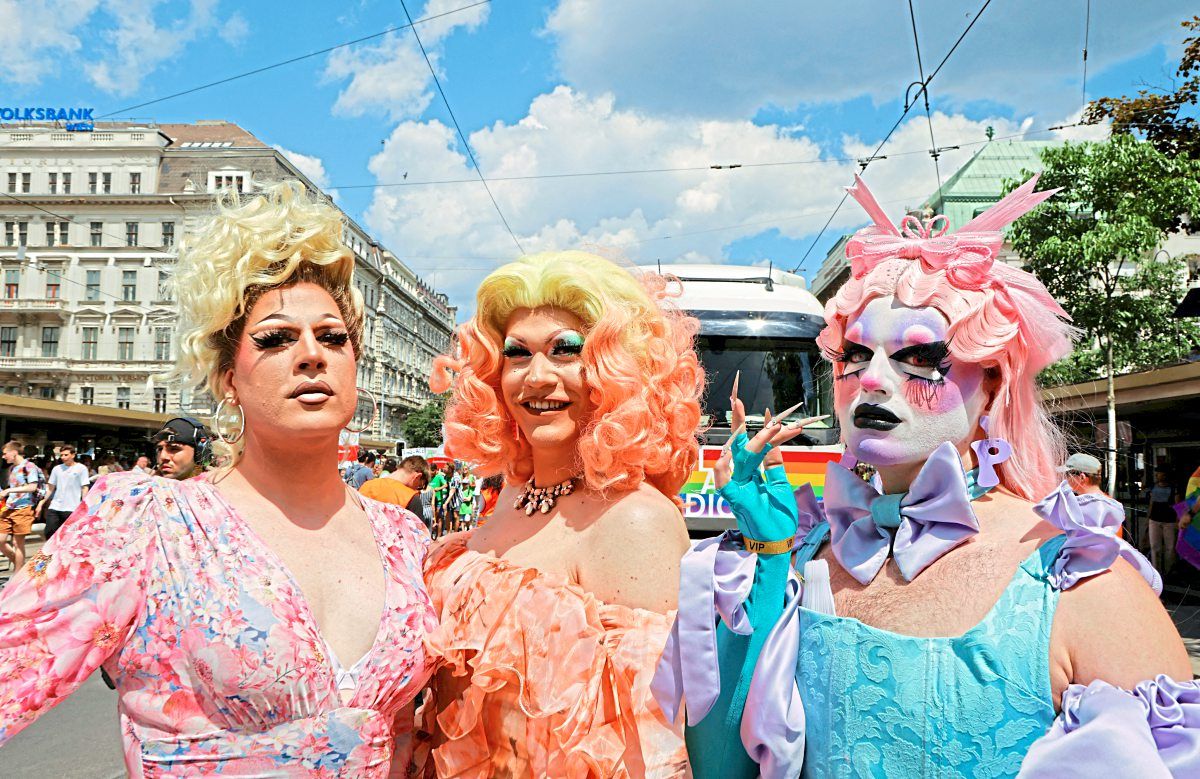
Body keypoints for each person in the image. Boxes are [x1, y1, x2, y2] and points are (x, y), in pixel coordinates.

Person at [656, 175, 1196, 777]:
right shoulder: (804, 550)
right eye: (855, 355)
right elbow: (721, 766)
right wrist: (770, 555)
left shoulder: (1077, 578)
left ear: (992, 384)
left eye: (919, 356)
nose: (870, 379)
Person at [0, 181, 437, 775]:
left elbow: (408, 736)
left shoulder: (404, 539)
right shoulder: (145, 523)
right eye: (276, 338)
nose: (312, 354)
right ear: (229, 376)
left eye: (333, 337)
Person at [418, 251, 702, 776]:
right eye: (517, 354)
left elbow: (652, 753)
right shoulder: (508, 496)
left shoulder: (635, 521)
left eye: (566, 351)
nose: (537, 377)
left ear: (618, 369)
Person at [1060, 451, 1127, 537]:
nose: (1065, 478)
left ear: (1082, 477)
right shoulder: (1110, 504)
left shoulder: (1087, 508)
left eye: (1067, 474)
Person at [0, 441, 44, 570]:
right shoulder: (12, 468)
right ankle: (22, 568)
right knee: (1, 541)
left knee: (17, 543)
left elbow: (32, 487)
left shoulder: (29, 467)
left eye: (5, 454)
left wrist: (9, 491)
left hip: (23, 508)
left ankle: (17, 574)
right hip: (9, 507)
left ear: (13, 452)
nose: (3, 457)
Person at [37, 444, 90, 540]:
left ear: (73, 455)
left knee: (69, 536)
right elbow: (50, 488)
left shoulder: (81, 468)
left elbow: (84, 487)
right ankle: (51, 553)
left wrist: (84, 503)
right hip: (55, 507)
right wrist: (42, 502)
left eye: (66, 455)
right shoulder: (57, 469)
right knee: (49, 532)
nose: (63, 457)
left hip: (72, 508)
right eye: (61, 455)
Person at [360, 454, 431, 518]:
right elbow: (419, 531)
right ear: (417, 477)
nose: (417, 489)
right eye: (419, 486)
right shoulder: (411, 498)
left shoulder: (366, 486)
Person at [1146, 466, 1182, 579]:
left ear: (1165, 475)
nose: (1157, 475)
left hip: (1169, 520)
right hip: (1155, 519)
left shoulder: (1174, 488)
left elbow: (1177, 505)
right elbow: (1151, 503)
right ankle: (1157, 572)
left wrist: (1178, 520)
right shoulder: (1153, 486)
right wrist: (1148, 519)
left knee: (1170, 547)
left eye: (1159, 473)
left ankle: (1169, 572)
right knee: (1155, 546)